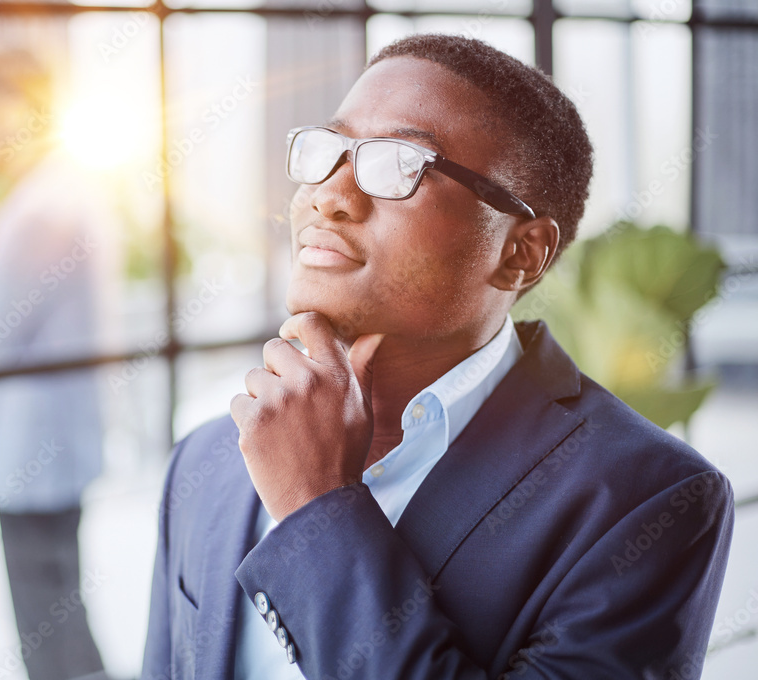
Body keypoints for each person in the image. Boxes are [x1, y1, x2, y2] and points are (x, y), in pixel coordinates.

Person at [141, 34, 734, 680]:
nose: (328, 195)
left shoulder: (648, 502)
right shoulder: (206, 461)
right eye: (328, 150)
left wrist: (317, 507)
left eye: (398, 163)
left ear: (520, 253)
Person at [0, 49, 113, 680]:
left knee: (52, 638)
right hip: (53, 454)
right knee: (60, 618)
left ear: (15, 108)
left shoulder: (36, 211)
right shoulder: (64, 192)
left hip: (34, 462)